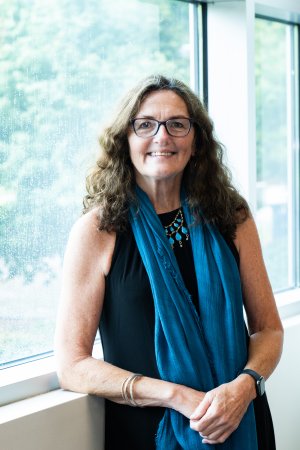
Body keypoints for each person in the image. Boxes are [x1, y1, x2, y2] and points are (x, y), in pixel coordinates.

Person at [55, 74, 284, 450]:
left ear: (196, 141)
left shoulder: (232, 216)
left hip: (240, 418)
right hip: (146, 432)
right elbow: (72, 364)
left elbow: (269, 330)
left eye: (177, 125)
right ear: (124, 139)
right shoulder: (97, 230)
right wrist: (176, 395)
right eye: (145, 124)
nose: (162, 137)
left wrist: (244, 388)